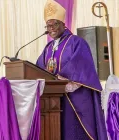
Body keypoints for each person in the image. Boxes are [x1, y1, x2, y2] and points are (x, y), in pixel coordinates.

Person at [36, 0, 107, 139]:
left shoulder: (76, 42)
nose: (52, 28)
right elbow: (37, 69)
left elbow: (81, 67)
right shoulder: (48, 47)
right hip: (52, 100)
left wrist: (59, 78)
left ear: (63, 24)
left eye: (55, 24)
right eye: (48, 25)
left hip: (73, 99)